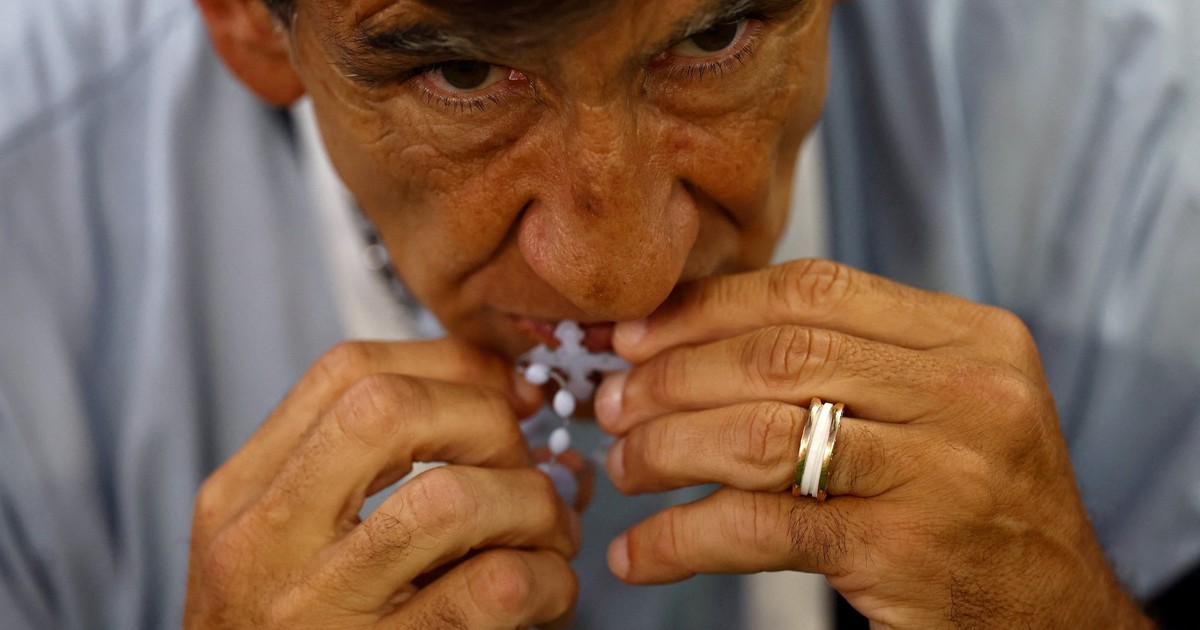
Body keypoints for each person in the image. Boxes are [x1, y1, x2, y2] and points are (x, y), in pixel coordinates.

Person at [1, 1, 1197, 629]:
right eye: (461, 75)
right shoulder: (27, 245)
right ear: (247, 20)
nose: (618, 276)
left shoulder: (1127, 128)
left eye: (718, 36)